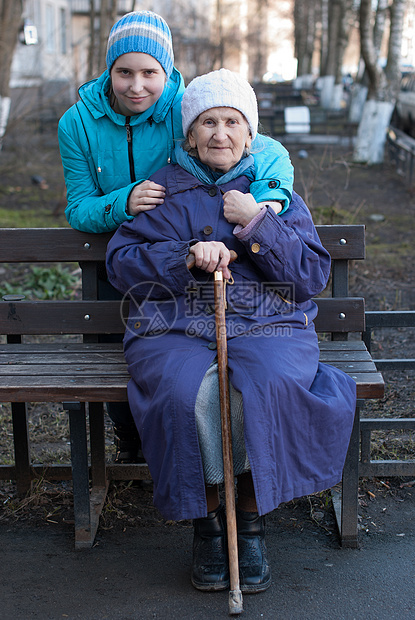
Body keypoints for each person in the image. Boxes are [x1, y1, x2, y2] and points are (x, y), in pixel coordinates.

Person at [105, 68, 357, 594]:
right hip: (175, 325)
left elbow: (310, 276)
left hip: (270, 323)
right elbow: (122, 261)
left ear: (250, 134)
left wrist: (257, 225)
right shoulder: (166, 190)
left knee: (262, 390)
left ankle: (252, 521)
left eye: (232, 122)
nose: (220, 133)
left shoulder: (272, 193)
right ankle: (210, 524)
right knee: (184, 394)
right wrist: (184, 255)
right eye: (208, 122)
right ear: (191, 134)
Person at [58, 10, 294, 462]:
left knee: (182, 356)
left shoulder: (187, 107)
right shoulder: (78, 122)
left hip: (186, 249)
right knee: (130, 362)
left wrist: (267, 200)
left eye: (150, 73)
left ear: (167, 73)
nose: (137, 86)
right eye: (124, 72)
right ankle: (135, 449)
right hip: (128, 249)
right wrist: (124, 201)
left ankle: (192, 459)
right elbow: (78, 206)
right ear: (108, 70)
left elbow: (260, 145)